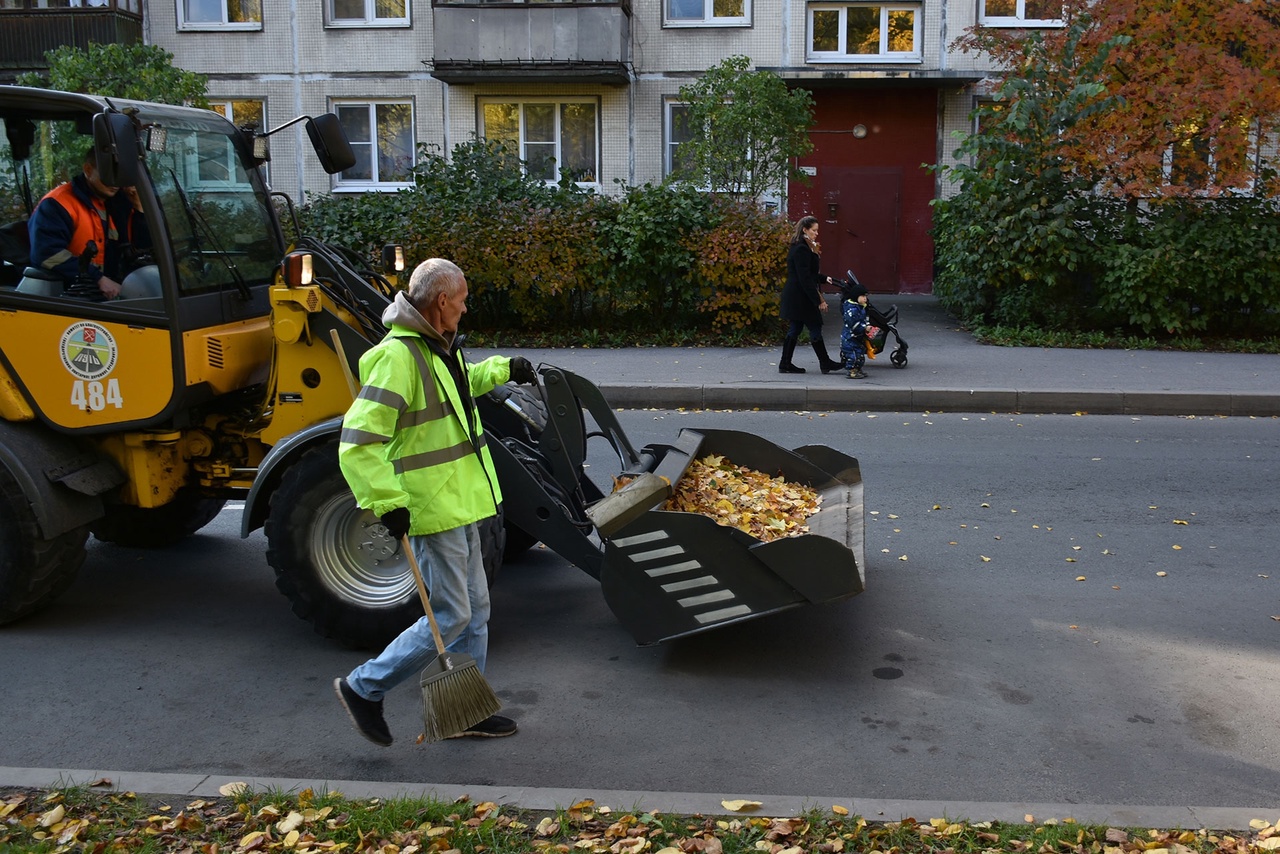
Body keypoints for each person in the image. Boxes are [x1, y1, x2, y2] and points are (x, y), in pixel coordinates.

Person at [333, 257, 537, 747]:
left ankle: (466, 710)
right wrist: (387, 501)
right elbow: (358, 441)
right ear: (442, 301)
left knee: (476, 610)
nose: (465, 309)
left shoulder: (436, 348)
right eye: (462, 300)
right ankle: (364, 687)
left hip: (460, 498)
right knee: (450, 615)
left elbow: (459, 386)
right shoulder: (398, 357)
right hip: (430, 506)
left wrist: (505, 368)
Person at [21, 146, 125, 300]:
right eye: (108, 174)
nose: (115, 182)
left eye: (120, 175)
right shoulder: (58, 203)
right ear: (88, 170)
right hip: (66, 298)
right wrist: (97, 278)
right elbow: (46, 253)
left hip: (95, 296)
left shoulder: (109, 204)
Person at [778, 215, 841, 375]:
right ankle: (825, 363)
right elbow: (805, 278)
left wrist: (826, 278)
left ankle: (785, 364)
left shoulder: (803, 246)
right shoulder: (802, 249)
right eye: (814, 230)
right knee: (814, 326)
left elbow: (809, 274)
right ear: (805, 230)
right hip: (801, 297)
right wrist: (818, 300)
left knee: (796, 328)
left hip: (798, 295)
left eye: (817, 230)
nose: (816, 233)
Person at [840, 284, 870, 380]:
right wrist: (864, 328)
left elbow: (864, 319)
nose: (865, 299)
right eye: (863, 296)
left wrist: (867, 325)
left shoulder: (861, 307)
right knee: (853, 356)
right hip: (850, 338)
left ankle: (857, 369)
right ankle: (852, 371)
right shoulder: (852, 309)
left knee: (860, 354)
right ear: (856, 297)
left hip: (857, 337)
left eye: (866, 296)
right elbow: (854, 324)